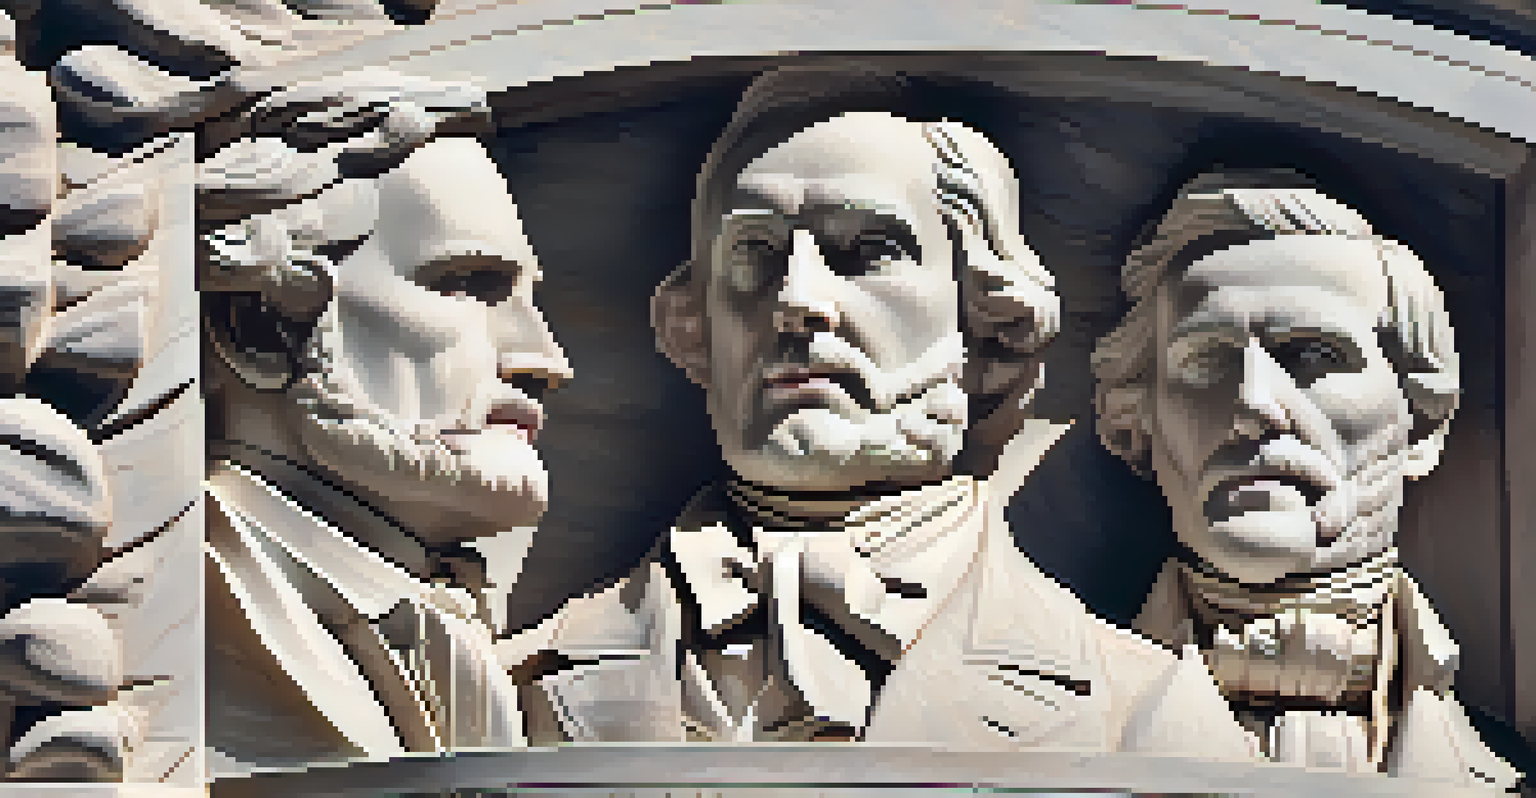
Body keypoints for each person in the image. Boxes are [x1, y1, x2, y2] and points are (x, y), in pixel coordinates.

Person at [502, 66, 1257, 759]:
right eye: (753, 255)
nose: (797, 300)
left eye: (868, 249)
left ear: (984, 322)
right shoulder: (515, 685)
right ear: (697, 325)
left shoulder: (1143, 710)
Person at [1092, 168, 1520, 789]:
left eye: (1314, 355)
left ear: (1420, 424)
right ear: (1136, 426)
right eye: (1206, 359)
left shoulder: (1510, 767)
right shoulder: (1034, 718)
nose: (1256, 404)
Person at [199, 69, 571, 772]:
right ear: (258, 328)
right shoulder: (187, 603)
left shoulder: (448, 621)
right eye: (467, 285)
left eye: (528, 298)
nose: (545, 359)